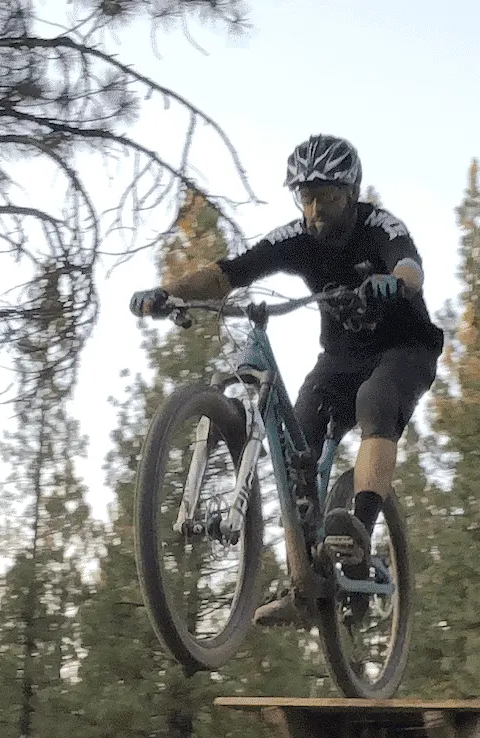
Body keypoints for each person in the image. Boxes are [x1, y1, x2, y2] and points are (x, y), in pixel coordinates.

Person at [130, 134, 445, 625]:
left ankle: (359, 534)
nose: (316, 210)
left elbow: (409, 266)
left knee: (376, 400)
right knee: (298, 450)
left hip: (403, 350)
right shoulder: (295, 238)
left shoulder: (379, 226)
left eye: (328, 197)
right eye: (307, 198)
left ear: (352, 193)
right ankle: (305, 585)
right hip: (339, 360)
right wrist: (170, 293)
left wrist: (394, 282)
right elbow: (229, 273)